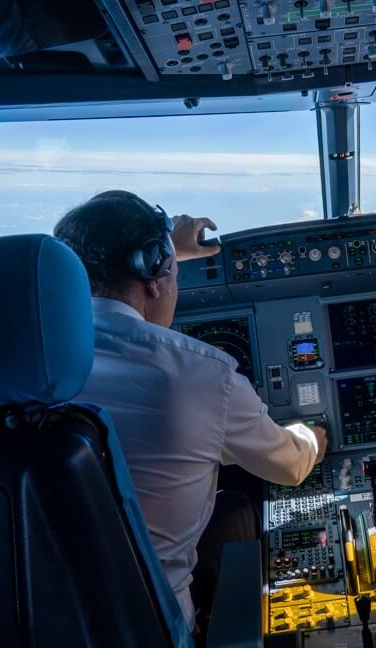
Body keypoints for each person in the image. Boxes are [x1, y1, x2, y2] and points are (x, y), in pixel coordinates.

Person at [53, 190, 328, 631]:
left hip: (50, 615)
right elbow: (291, 467)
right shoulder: (198, 376)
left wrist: (167, 247)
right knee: (238, 504)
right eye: (172, 271)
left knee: (234, 505)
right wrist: (312, 436)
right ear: (157, 276)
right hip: (153, 626)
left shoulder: (23, 364)